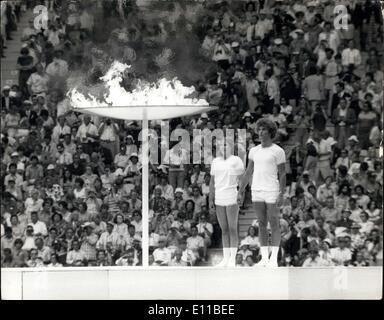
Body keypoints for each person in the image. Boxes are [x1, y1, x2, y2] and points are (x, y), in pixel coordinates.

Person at [239, 118, 286, 267]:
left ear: (270, 132)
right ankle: (265, 258)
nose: (260, 132)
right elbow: (248, 172)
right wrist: (240, 191)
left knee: (274, 223)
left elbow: (283, 174)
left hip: (272, 189)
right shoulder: (253, 150)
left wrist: (282, 193)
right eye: (258, 129)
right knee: (261, 224)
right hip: (256, 190)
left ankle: (274, 259)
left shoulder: (278, 151)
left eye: (263, 129)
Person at [209, 137, 244, 267]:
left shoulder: (236, 160)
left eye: (225, 145)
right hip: (219, 198)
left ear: (230, 147)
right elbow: (212, 182)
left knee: (232, 228)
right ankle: (225, 258)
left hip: (231, 197)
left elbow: (242, 180)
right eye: (221, 145)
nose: (223, 147)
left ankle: (232, 259)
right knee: (224, 230)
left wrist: (241, 194)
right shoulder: (215, 161)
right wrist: (210, 199)